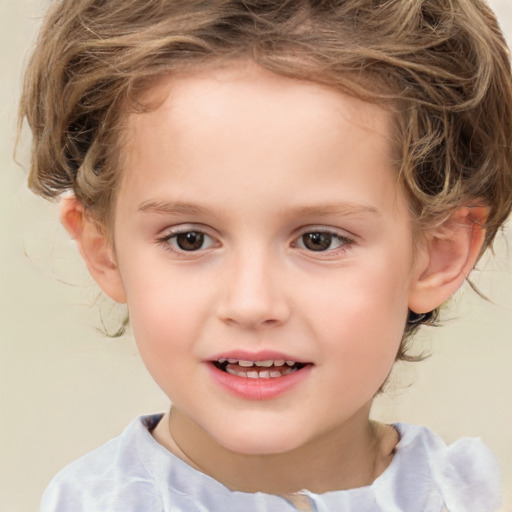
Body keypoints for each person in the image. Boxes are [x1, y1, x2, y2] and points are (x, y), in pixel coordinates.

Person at [19, 0, 512, 510]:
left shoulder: (472, 498)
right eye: (189, 239)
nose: (252, 303)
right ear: (105, 251)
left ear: (438, 254)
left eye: (319, 239)